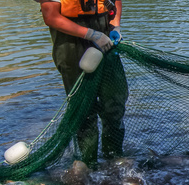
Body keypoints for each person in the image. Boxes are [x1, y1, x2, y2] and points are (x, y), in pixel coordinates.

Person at [37, 0, 128, 165]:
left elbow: (116, 2)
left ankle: (114, 159)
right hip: (71, 42)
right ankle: (88, 164)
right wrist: (91, 34)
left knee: (115, 101)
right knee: (84, 110)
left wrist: (115, 26)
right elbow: (50, 16)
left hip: (106, 36)